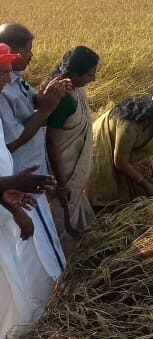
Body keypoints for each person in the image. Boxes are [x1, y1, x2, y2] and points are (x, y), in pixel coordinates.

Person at [0, 24, 68, 308]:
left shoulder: (14, 79)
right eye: (26, 52)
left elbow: (30, 108)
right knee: (30, 252)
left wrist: (45, 99)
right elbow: (13, 140)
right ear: (11, 54)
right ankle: (43, 305)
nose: (31, 56)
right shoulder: (2, 91)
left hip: (20, 183)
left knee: (35, 247)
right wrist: (46, 110)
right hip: (17, 182)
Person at [45, 46, 99, 257]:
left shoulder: (77, 90)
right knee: (61, 230)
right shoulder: (63, 97)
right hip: (63, 176)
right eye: (89, 74)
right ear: (74, 74)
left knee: (83, 230)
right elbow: (52, 141)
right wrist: (61, 182)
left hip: (73, 179)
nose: (93, 79)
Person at [86, 96, 153, 209]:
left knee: (132, 193)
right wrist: (145, 184)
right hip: (103, 145)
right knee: (108, 195)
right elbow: (120, 162)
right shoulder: (129, 125)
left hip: (122, 153)